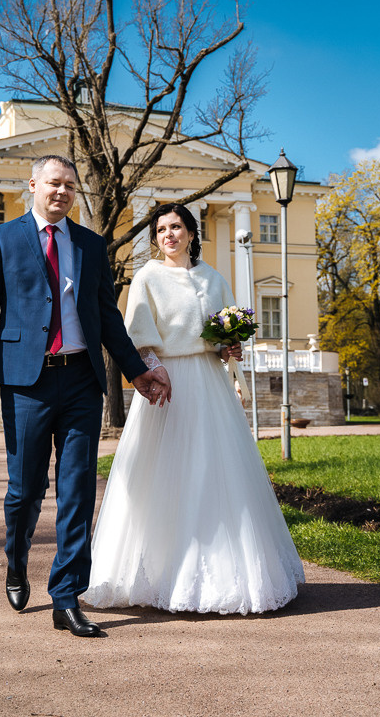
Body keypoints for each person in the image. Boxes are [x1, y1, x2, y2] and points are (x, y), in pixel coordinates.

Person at [0, 155, 172, 638]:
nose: (62, 192)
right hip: (26, 382)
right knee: (25, 490)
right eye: (54, 183)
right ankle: (16, 558)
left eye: (70, 186)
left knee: (76, 490)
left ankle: (66, 597)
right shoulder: (3, 238)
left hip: (80, 381)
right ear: (32, 185)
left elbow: (107, 319)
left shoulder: (92, 246)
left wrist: (138, 371)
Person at [83, 203, 306, 614]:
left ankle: (224, 573)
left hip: (210, 382)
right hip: (168, 382)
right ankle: (163, 571)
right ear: (156, 238)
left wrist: (230, 345)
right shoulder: (148, 277)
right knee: (165, 475)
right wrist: (151, 371)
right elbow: (139, 338)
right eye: (162, 229)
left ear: (190, 232)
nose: (169, 234)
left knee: (217, 472)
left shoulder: (213, 277)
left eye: (176, 227)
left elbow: (225, 335)